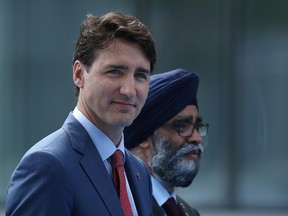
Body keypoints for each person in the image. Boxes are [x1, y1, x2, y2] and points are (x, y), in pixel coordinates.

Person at [6, 12, 156, 216]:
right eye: (115, 72)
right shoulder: (48, 166)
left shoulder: (139, 172)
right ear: (79, 74)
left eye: (140, 76)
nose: (129, 90)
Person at [124, 69, 209, 216]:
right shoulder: (121, 206)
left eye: (197, 127)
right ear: (145, 137)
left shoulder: (189, 212)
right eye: (182, 126)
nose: (197, 138)